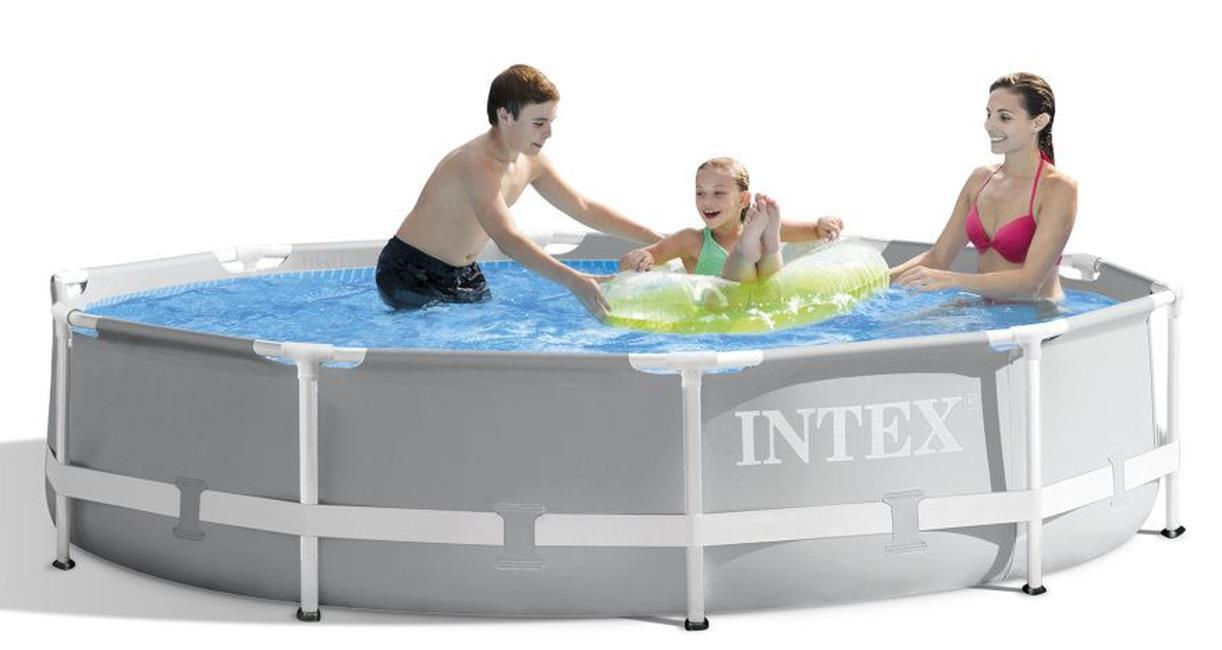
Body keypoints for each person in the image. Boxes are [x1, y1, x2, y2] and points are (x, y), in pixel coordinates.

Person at [376, 64, 661, 318]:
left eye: (550, 122)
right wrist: (575, 280)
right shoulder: (475, 164)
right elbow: (508, 239)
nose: (548, 133)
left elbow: (583, 208)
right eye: (538, 123)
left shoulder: (531, 161)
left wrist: (659, 241)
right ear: (505, 115)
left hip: (465, 274)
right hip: (409, 273)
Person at [891, 73, 1078, 302]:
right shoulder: (980, 179)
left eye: (1004, 117)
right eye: (989, 115)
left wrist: (952, 280)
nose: (990, 125)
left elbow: (1029, 284)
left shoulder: (1058, 188)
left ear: (1038, 123)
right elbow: (937, 258)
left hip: (1039, 315)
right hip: (986, 309)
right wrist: (866, 284)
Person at [618, 157, 843, 281]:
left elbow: (815, 230)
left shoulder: (760, 223)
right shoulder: (691, 240)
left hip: (761, 299)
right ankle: (751, 249)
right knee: (740, 269)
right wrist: (640, 257)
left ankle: (767, 247)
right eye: (700, 193)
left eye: (718, 193)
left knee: (767, 267)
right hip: (722, 305)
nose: (707, 202)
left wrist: (823, 223)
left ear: (743, 199)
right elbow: (632, 260)